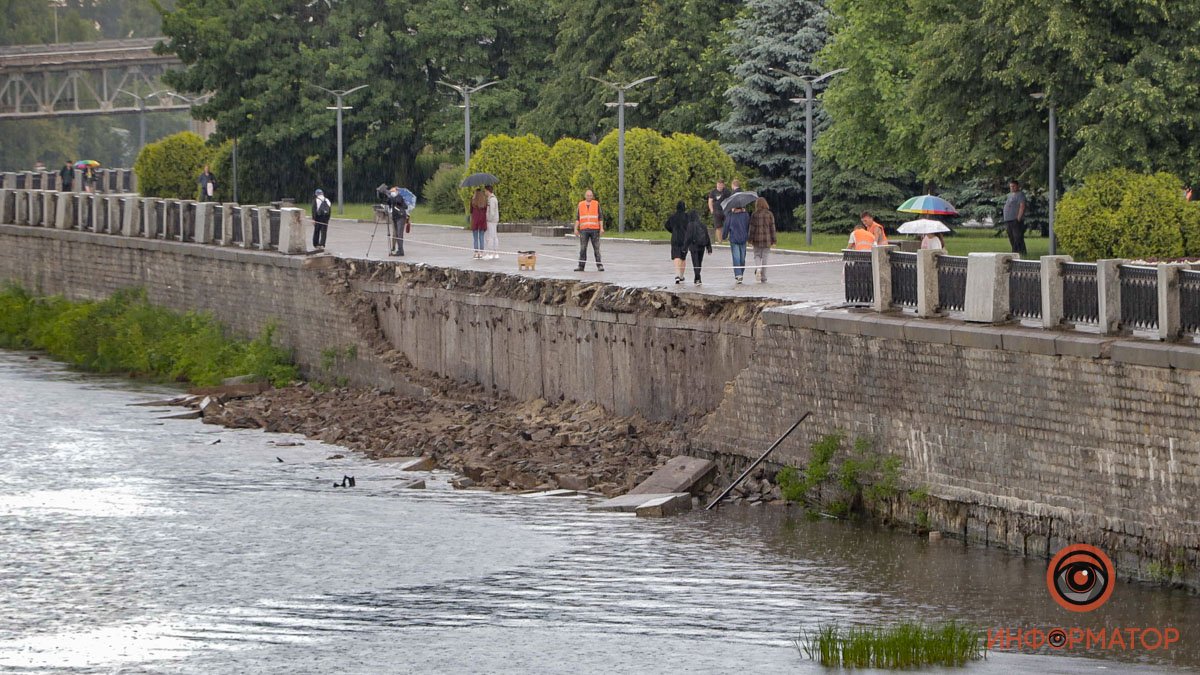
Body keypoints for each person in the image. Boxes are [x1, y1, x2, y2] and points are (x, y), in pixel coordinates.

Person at [748, 197, 777, 283]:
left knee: (756, 255)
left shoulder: (754, 214)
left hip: (756, 239)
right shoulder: (770, 214)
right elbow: (773, 228)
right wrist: (774, 240)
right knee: (765, 258)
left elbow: (752, 228)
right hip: (767, 240)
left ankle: (758, 268)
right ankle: (763, 277)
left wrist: (750, 239)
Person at [575, 189, 604, 272]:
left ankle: (599, 265)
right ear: (585, 196)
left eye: (591, 195)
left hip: (594, 229)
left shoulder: (596, 204)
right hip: (584, 230)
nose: (589, 197)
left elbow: (600, 217)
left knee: (596, 248)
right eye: (588, 195)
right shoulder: (580, 204)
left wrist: (601, 228)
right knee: (583, 248)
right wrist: (575, 229)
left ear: (592, 196)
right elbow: (577, 218)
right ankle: (581, 266)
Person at [722, 205, 750, 283]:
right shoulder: (743, 215)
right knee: (739, 257)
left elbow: (726, 226)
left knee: (739, 257)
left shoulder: (741, 215)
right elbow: (727, 226)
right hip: (738, 239)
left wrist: (724, 236)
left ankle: (739, 273)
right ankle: (739, 274)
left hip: (739, 238)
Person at [683, 209, 712, 285]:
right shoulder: (703, 225)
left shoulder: (690, 225)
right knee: (699, 262)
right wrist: (709, 248)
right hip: (702, 246)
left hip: (693, 246)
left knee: (695, 262)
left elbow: (688, 237)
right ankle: (697, 277)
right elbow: (707, 236)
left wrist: (684, 248)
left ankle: (697, 278)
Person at [665, 201, 689, 283]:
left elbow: (667, 225)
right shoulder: (687, 217)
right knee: (683, 257)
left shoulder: (672, 217)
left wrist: (673, 231)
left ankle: (677, 275)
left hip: (675, 238)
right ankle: (682, 276)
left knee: (676, 256)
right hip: (685, 239)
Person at [1002, 179, 1027, 255]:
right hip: (1008, 219)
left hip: (1015, 219)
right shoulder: (1010, 195)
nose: (1012, 188)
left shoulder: (1020, 194)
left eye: (1013, 186)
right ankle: (1015, 251)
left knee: (1017, 237)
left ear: (1017, 186)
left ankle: (1020, 252)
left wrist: (1018, 218)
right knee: (1011, 237)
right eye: (1010, 186)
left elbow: (1022, 206)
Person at [385, 186, 409, 256]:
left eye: (393, 191)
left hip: (400, 217)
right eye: (391, 191)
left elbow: (397, 201)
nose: (392, 193)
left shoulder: (399, 197)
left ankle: (401, 250)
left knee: (399, 233)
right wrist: (387, 196)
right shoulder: (392, 198)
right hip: (394, 217)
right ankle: (396, 248)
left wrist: (390, 196)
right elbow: (388, 202)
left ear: (397, 191)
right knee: (396, 233)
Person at [469, 188, 487, 258]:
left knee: (475, 238)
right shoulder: (484, 201)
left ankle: (476, 252)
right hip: (482, 220)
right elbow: (486, 210)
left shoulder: (473, 200)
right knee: (481, 237)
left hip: (475, 220)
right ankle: (481, 253)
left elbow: (470, 211)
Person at [484, 185, 500, 260]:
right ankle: (494, 252)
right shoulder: (490, 199)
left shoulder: (492, 199)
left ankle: (491, 253)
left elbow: (492, 211)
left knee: (491, 236)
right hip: (493, 220)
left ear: (488, 191)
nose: (484, 192)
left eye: (485, 191)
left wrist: (489, 219)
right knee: (493, 236)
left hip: (492, 220)